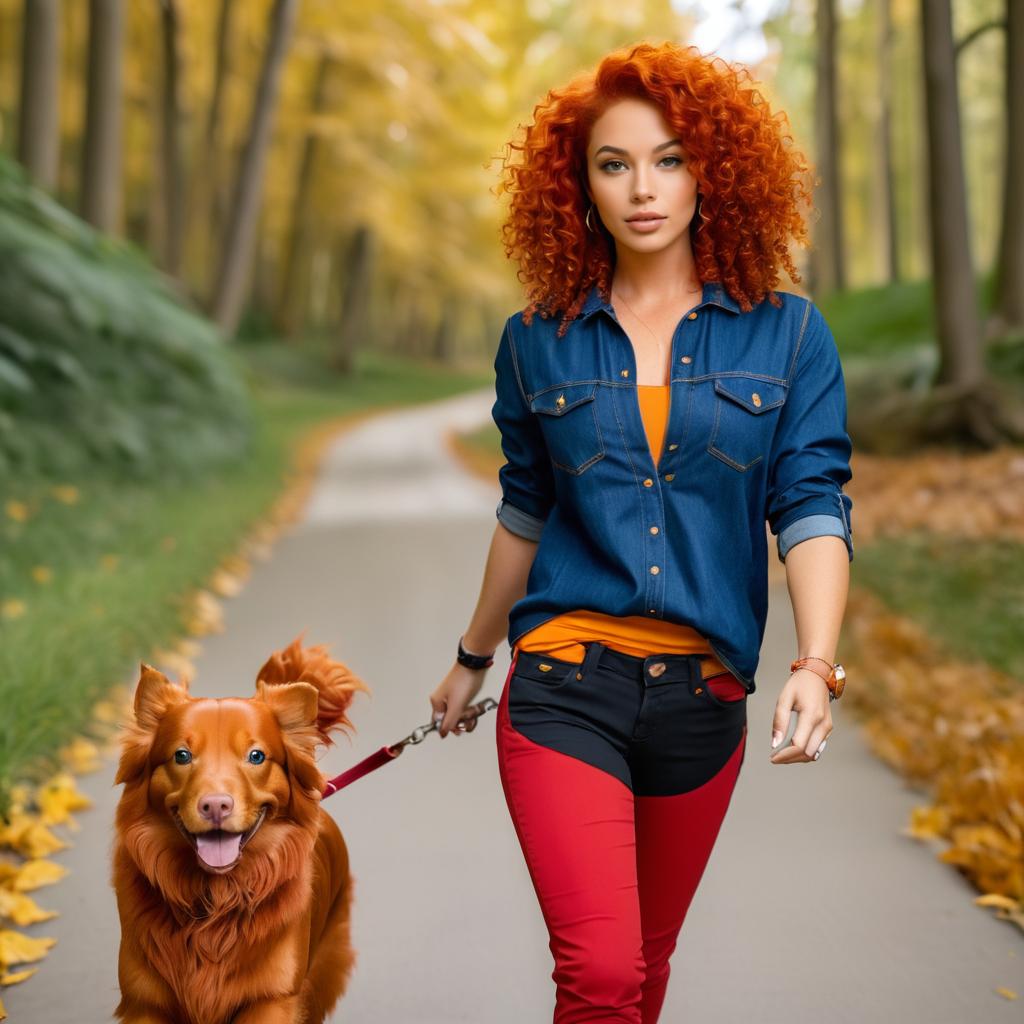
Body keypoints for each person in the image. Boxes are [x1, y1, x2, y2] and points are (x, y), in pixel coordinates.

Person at [428, 39, 854, 1024]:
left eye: (668, 159)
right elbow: (524, 509)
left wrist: (816, 662)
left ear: (714, 168)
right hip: (563, 686)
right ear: (576, 185)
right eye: (612, 164)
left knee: (643, 974)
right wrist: (470, 656)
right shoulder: (537, 336)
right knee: (603, 977)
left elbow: (811, 502)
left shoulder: (787, 334)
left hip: (702, 702)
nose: (642, 188)